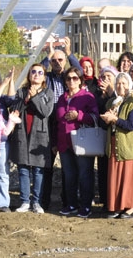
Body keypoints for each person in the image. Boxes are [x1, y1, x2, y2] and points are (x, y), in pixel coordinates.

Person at [39, 36, 82, 209]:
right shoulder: (47, 77)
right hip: (49, 122)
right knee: (46, 164)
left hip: (66, 122)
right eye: (54, 60)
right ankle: (44, 201)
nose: (57, 62)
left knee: (68, 166)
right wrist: (48, 55)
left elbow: (78, 70)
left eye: (60, 59)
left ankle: (68, 200)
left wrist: (69, 53)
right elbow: (38, 70)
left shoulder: (68, 77)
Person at [8, 64, 54, 214]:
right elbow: (14, 110)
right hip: (22, 134)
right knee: (23, 169)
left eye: (40, 72)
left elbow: (45, 112)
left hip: (40, 136)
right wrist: (25, 100)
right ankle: (24, 201)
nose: (36, 74)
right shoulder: (21, 91)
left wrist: (34, 97)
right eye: (33, 72)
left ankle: (36, 202)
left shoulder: (48, 93)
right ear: (29, 75)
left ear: (44, 77)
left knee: (38, 171)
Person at [99, 72, 133, 219]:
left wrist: (114, 119)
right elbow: (104, 123)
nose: (120, 86)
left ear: (129, 86)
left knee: (128, 179)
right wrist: (106, 119)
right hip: (114, 144)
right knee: (116, 178)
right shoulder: (112, 102)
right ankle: (118, 206)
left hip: (129, 146)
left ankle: (130, 208)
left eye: (124, 83)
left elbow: (131, 125)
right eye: (118, 83)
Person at [56, 67, 99, 218]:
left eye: (75, 78)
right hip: (65, 143)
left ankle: (86, 205)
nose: (71, 81)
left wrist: (79, 115)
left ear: (81, 80)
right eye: (68, 78)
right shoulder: (62, 98)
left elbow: (95, 117)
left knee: (84, 174)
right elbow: (58, 121)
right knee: (69, 175)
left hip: (82, 142)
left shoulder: (88, 97)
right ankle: (71, 204)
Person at [93, 66, 118, 212]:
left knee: (113, 168)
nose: (106, 80)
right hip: (102, 134)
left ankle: (113, 199)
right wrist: (102, 97)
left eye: (109, 77)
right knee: (102, 168)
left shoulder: (117, 93)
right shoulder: (97, 94)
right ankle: (104, 199)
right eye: (104, 77)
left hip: (115, 135)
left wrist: (110, 93)